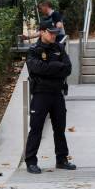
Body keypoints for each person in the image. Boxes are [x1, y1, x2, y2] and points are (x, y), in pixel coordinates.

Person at [24, 20, 76, 174]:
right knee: (36, 129)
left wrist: (49, 68)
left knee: (59, 128)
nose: (54, 35)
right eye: (50, 32)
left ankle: (62, 159)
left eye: (55, 32)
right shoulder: (34, 50)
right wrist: (55, 67)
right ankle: (31, 161)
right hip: (41, 94)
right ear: (42, 32)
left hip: (57, 94)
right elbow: (36, 68)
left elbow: (68, 68)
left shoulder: (59, 47)